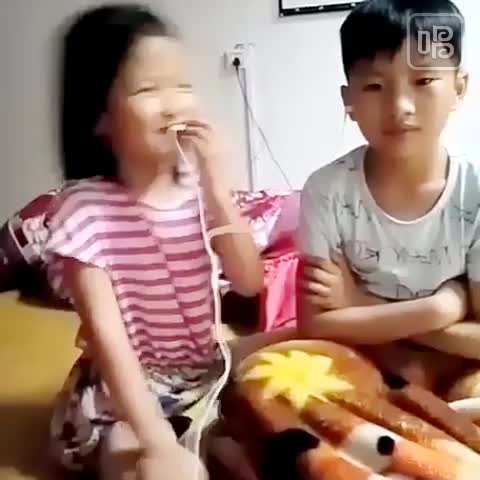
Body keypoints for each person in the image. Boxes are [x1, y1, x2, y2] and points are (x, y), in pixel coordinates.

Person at [44, 4, 266, 479]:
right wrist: (158, 442)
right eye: (148, 90)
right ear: (99, 117)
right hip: (127, 393)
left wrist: (218, 189)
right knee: (146, 460)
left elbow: (249, 282)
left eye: (183, 86)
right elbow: (108, 340)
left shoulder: (200, 187)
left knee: (298, 363)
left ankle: (208, 439)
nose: (174, 104)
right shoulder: (83, 212)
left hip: (205, 370)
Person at [297, 0, 478, 389]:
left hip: (460, 369)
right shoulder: (326, 191)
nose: (400, 107)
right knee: (273, 381)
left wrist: (361, 304)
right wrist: (439, 309)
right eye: (374, 86)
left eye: (423, 81)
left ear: (458, 87)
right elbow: (315, 324)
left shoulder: (474, 192)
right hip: (364, 361)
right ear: (348, 99)